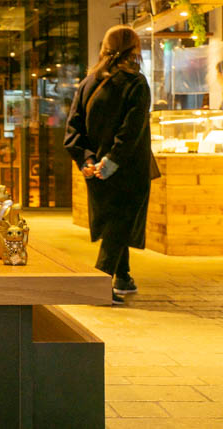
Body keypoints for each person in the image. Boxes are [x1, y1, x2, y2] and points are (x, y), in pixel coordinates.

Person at [64, 25, 152, 305]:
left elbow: (73, 127)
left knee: (116, 221)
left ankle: (123, 276)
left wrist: (87, 158)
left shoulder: (88, 82)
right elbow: (132, 130)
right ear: (133, 48)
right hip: (126, 169)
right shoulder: (136, 83)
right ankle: (99, 281)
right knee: (120, 224)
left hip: (94, 170)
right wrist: (112, 160)